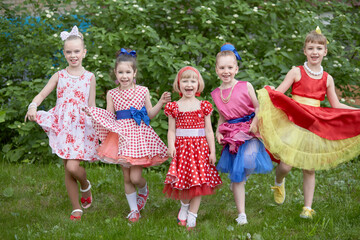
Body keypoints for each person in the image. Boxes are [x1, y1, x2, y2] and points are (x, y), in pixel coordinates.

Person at [256, 27, 360, 219]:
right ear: (305, 51)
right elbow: (278, 94)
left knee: (309, 167)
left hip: (313, 125)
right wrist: (269, 93)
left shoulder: (327, 78)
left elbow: (336, 105)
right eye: (310, 48)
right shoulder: (296, 72)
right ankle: (279, 182)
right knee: (286, 166)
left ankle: (307, 208)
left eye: (319, 49)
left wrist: (357, 111)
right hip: (294, 122)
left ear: (325, 52)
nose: (314, 52)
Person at [85, 48, 170, 223]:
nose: (124, 76)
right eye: (121, 72)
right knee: (126, 177)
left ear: (134, 73)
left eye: (128, 72)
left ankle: (143, 188)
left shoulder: (143, 91)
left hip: (138, 136)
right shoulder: (112, 93)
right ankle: (133, 211)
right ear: (115, 73)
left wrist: (160, 102)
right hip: (121, 136)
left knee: (135, 177)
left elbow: (150, 113)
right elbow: (109, 115)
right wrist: (93, 113)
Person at [24, 26, 98, 220]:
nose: (73, 55)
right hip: (63, 125)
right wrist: (33, 106)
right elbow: (42, 94)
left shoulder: (90, 77)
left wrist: (98, 121)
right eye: (69, 52)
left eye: (76, 51)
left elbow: (91, 104)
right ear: (64, 53)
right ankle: (76, 208)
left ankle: (85, 185)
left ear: (84, 52)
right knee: (67, 167)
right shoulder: (60, 75)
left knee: (74, 168)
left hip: (80, 126)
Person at [211, 43, 273, 225]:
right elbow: (222, 117)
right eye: (222, 68)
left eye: (230, 67)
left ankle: (242, 178)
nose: (226, 71)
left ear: (236, 69)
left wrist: (254, 123)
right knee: (236, 173)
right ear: (216, 70)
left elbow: (257, 106)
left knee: (248, 161)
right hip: (232, 133)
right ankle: (242, 214)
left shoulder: (246, 86)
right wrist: (217, 131)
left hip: (249, 128)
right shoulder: (216, 93)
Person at [163, 66, 222, 230]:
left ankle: (192, 215)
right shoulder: (174, 106)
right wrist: (170, 146)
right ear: (178, 84)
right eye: (185, 80)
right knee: (184, 181)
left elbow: (209, 130)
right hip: (182, 149)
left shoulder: (203, 106)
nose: (189, 84)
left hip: (200, 149)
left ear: (198, 84)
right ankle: (184, 206)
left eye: (193, 81)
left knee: (199, 183)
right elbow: (172, 130)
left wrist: (212, 151)